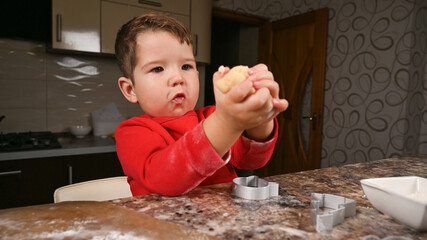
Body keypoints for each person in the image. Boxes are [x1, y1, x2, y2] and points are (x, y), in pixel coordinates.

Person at [114, 12, 288, 196]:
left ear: (197, 75)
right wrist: (226, 122)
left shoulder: (212, 116)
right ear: (130, 89)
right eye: (158, 68)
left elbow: (251, 161)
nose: (178, 78)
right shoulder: (132, 132)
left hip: (223, 221)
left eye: (186, 67)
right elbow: (165, 179)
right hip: (164, 224)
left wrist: (260, 119)